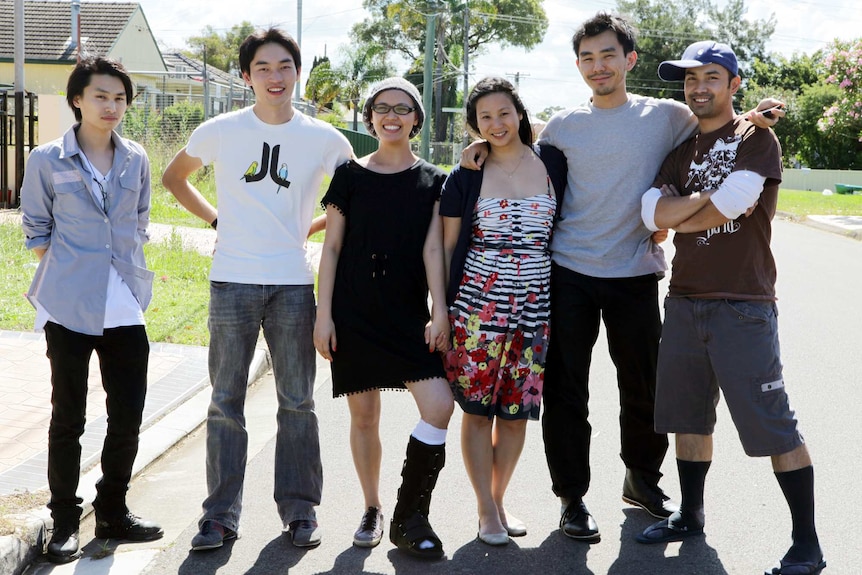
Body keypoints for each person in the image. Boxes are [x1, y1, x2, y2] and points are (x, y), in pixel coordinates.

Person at [460, 12, 783, 542]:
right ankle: (572, 497)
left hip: (635, 272)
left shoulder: (667, 116)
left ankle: (642, 478)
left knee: (645, 388)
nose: (598, 66)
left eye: (608, 54)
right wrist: (478, 147)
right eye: (587, 57)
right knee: (567, 391)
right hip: (569, 272)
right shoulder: (564, 125)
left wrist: (757, 115)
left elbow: (717, 119)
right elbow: (515, 143)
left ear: (629, 60)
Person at [636, 41, 825, 575]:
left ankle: (806, 543)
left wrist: (680, 212)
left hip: (743, 305)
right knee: (689, 420)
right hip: (684, 302)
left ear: (733, 83)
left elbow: (736, 201)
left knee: (773, 426)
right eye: (691, 78)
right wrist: (681, 210)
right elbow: (650, 212)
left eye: (712, 77)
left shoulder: (755, 137)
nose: (699, 87)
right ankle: (690, 515)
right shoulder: (679, 150)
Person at [161, 28, 352, 551]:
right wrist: (217, 218)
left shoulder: (326, 139)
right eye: (263, 67)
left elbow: (355, 197)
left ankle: (300, 511)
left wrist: (307, 227)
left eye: (284, 66)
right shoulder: (220, 129)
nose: (275, 76)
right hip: (231, 283)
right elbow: (175, 177)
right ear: (245, 76)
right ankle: (219, 516)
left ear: (298, 72)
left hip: (292, 284)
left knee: (297, 401)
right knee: (226, 402)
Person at [20, 56, 164, 564]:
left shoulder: (137, 158)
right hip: (68, 305)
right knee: (69, 417)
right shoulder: (46, 159)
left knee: (127, 416)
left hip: (125, 303)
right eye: (101, 96)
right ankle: (64, 521)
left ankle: (113, 511)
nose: (112, 106)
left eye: (120, 98)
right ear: (77, 100)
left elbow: (141, 217)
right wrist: (72, 271)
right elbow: (36, 227)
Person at [313, 77, 453, 560]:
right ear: (369, 117)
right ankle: (372, 507)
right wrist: (323, 315)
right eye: (381, 108)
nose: (391, 115)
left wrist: (440, 311)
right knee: (365, 415)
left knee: (438, 406)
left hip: (410, 314)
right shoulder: (349, 175)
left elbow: (434, 247)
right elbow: (330, 248)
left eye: (402, 108)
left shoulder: (435, 180)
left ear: (417, 117)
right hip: (354, 312)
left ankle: (408, 511)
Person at [440, 77, 567, 546]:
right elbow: (446, 246)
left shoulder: (551, 161)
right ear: (474, 125)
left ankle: (497, 498)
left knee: (515, 413)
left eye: (504, 113)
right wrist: (440, 310)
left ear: (520, 113)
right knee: (476, 411)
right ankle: (485, 509)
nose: (497, 124)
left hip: (536, 306)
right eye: (485, 118)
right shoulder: (465, 175)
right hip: (477, 308)